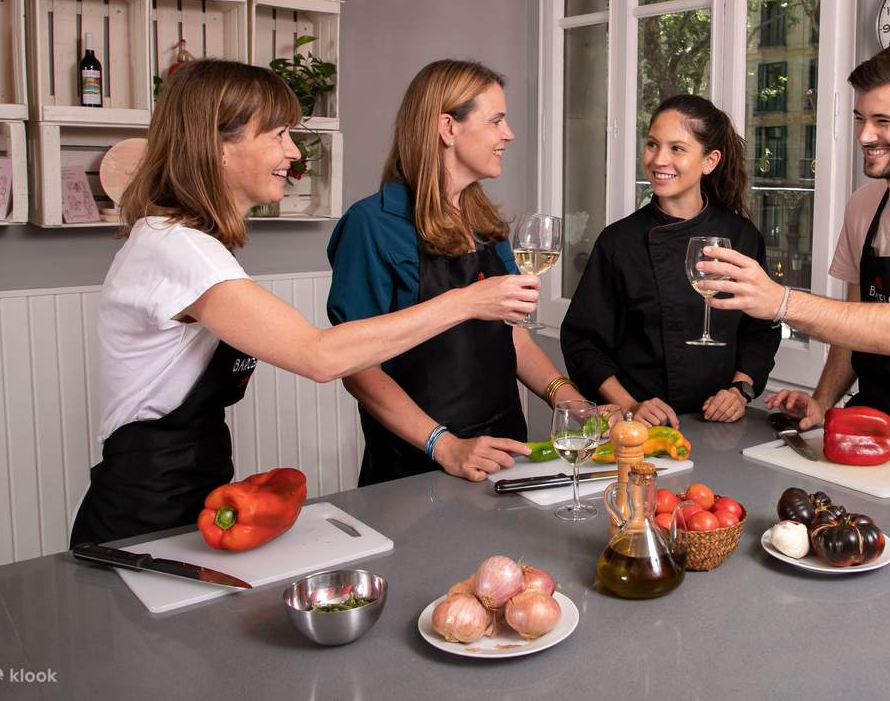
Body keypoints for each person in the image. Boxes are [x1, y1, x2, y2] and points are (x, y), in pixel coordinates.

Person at [69, 61, 538, 546]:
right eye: (278, 134)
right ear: (218, 145)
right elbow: (321, 356)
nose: (292, 152)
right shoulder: (176, 249)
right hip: (143, 509)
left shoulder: (191, 245)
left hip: (195, 490)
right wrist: (465, 302)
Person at [698, 42, 890, 471]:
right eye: (860, 118)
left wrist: (781, 302)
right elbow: (854, 324)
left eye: (883, 121)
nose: (865, 135)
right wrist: (822, 401)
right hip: (872, 427)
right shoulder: (864, 206)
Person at [326, 60, 586, 485]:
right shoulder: (371, 225)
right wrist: (445, 445)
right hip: (415, 467)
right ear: (448, 128)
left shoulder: (485, 222)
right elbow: (357, 367)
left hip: (504, 452)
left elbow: (511, 336)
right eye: (496, 121)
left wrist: (572, 402)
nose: (508, 134)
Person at [560, 94, 780, 427]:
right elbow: (582, 342)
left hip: (718, 426)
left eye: (677, 148)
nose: (659, 159)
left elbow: (760, 330)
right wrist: (631, 405)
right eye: (652, 145)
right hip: (640, 428)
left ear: (710, 161)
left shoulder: (742, 237)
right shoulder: (619, 241)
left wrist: (739, 390)